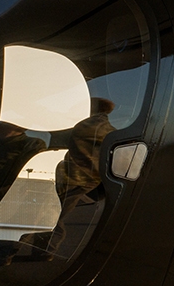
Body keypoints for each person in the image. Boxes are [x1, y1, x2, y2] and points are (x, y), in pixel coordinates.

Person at [33, 98, 116, 258]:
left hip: (76, 177)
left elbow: (59, 135)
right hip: (87, 178)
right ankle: (41, 250)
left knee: (53, 213)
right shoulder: (108, 129)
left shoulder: (86, 126)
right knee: (55, 212)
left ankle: (44, 251)